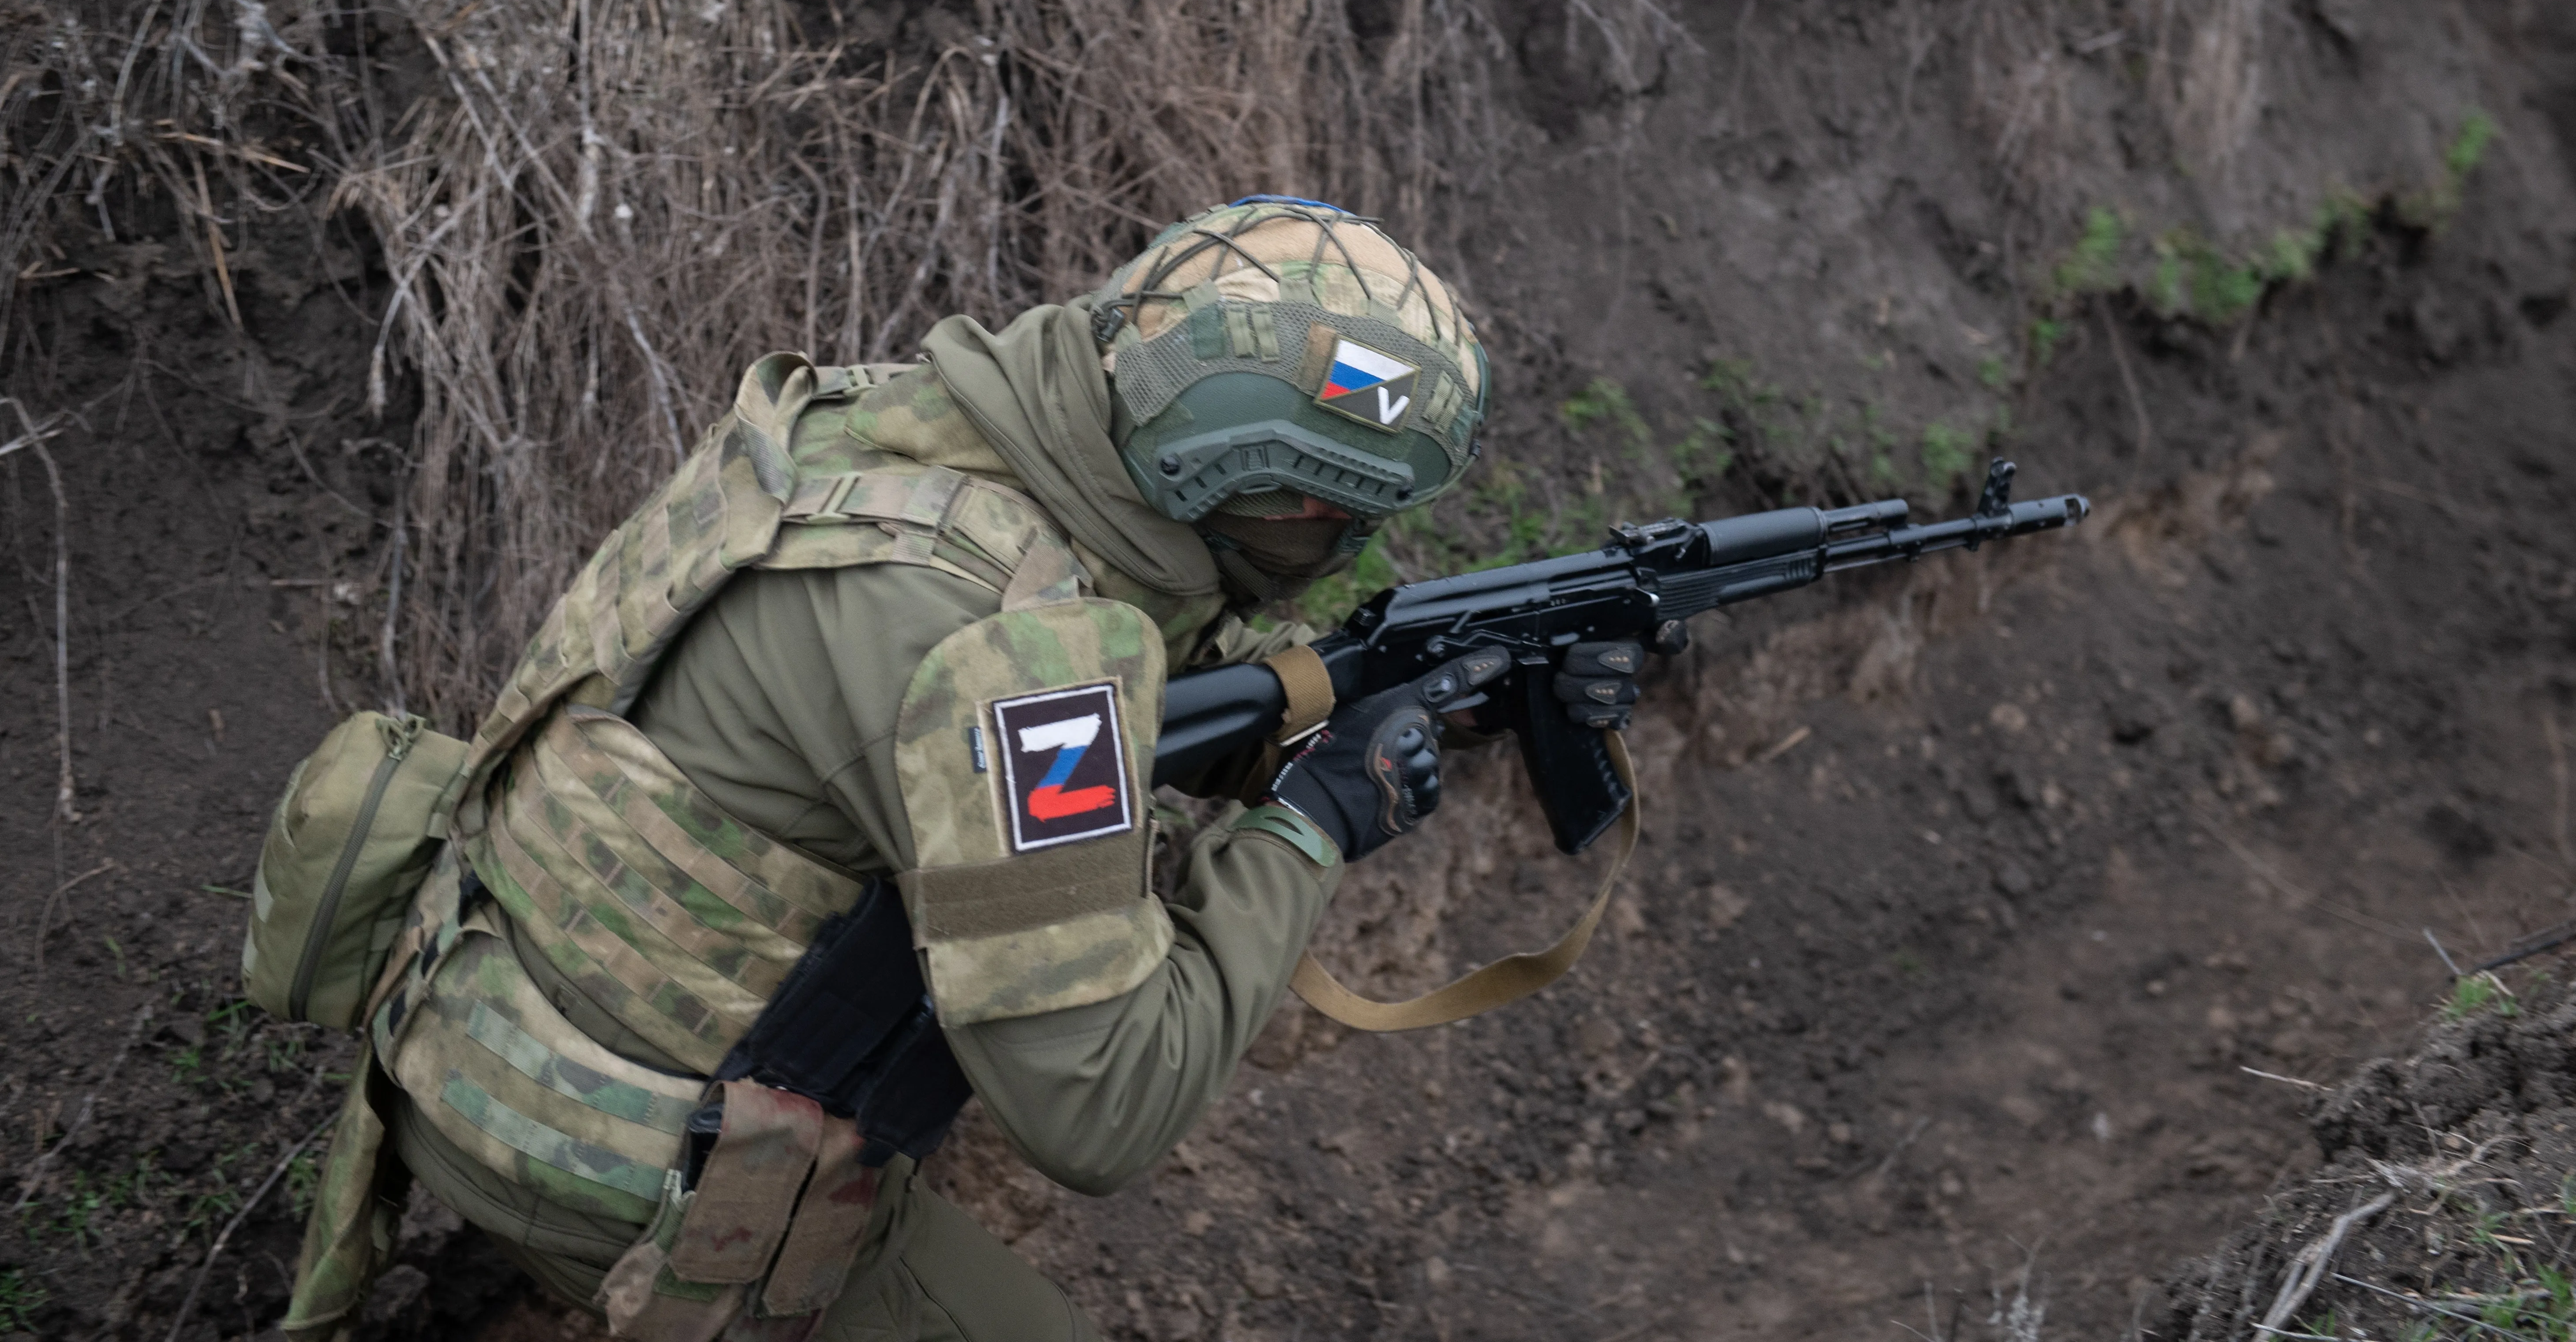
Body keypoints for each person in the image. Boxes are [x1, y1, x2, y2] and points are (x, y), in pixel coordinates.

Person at [285, 197, 1650, 1342]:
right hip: (599, 1144)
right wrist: (1310, 824)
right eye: (1344, 521)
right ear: (1269, 489)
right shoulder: (1010, 652)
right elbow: (1102, 1110)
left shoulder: (899, 436)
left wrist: (1410, 701)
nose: (1354, 557)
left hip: (469, 994)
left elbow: (1080, 721)